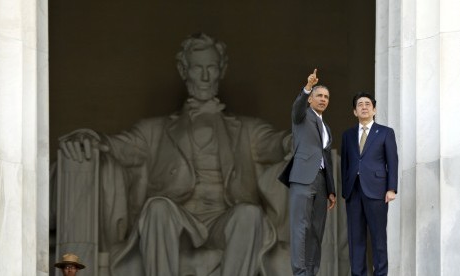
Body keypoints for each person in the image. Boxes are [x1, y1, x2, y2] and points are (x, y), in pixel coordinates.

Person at [58, 33, 290, 276]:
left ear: (222, 70)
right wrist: (89, 138)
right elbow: (118, 146)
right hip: (177, 222)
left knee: (250, 213)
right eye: (197, 68)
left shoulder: (248, 129)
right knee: (157, 207)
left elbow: (274, 143)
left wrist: (293, 141)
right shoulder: (154, 130)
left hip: (225, 220)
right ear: (183, 70)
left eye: (211, 68)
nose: (204, 76)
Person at [278, 69, 336, 276]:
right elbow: (297, 108)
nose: (323, 99)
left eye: (326, 97)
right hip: (302, 178)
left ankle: (312, 272)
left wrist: (331, 190)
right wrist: (307, 87)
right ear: (310, 99)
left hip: (321, 181)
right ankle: (300, 273)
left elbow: (327, 159)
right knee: (300, 228)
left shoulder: (326, 127)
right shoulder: (301, 117)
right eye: (319, 95)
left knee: (316, 231)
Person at [340, 92, 398, 276]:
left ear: (374, 109)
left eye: (367, 104)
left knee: (378, 238)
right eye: (360, 105)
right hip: (354, 191)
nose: (364, 107)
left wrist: (391, 188)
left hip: (377, 191)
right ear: (354, 112)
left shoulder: (386, 132)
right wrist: (345, 190)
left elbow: (392, 161)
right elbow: (345, 164)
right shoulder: (347, 135)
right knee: (356, 238)